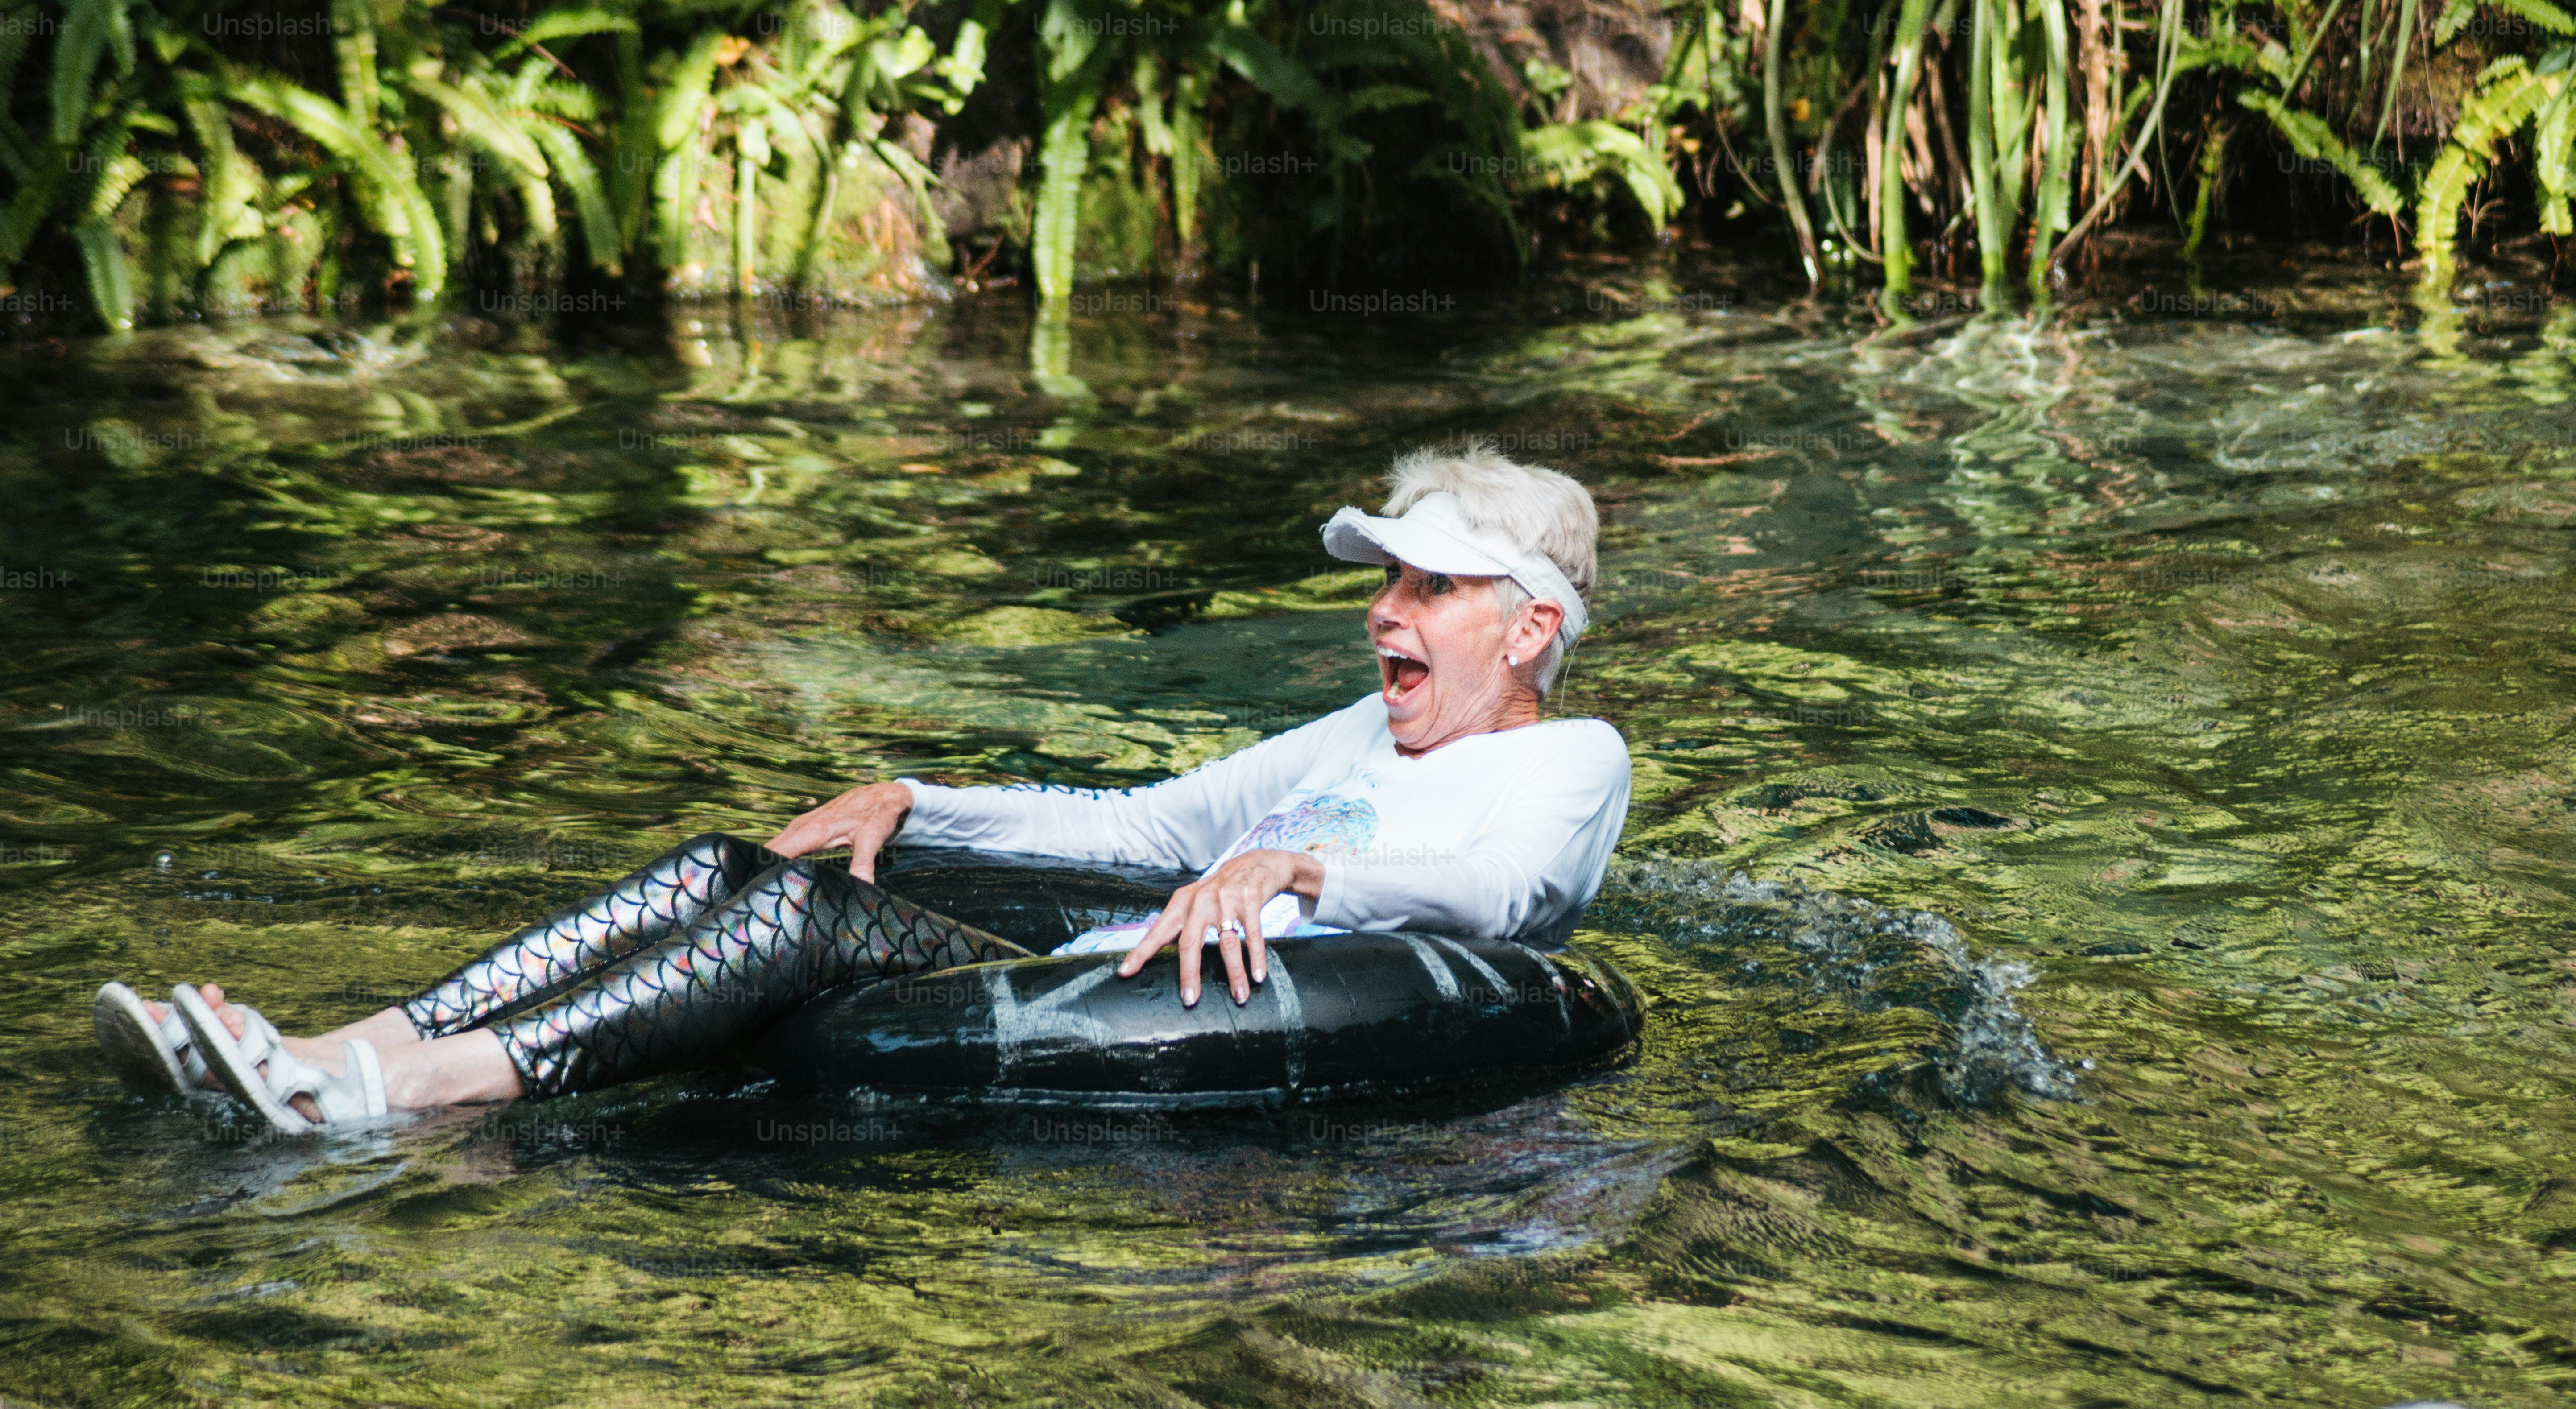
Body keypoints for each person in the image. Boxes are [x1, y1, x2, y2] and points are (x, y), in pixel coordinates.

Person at [93, 442, 1630, 1133]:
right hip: (1100, 966)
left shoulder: (1571, 758)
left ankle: (402, 1100)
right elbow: (1146, 825)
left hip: (1199, 1012)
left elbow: (1506, 901)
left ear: (1528, 624)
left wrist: (1298, 876)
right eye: (1387, 584)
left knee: (806, 934)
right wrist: (919, 796)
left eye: (1429, 586)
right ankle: (335, 1043)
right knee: (723, 868)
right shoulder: (1346, 737)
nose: (1384, 610)